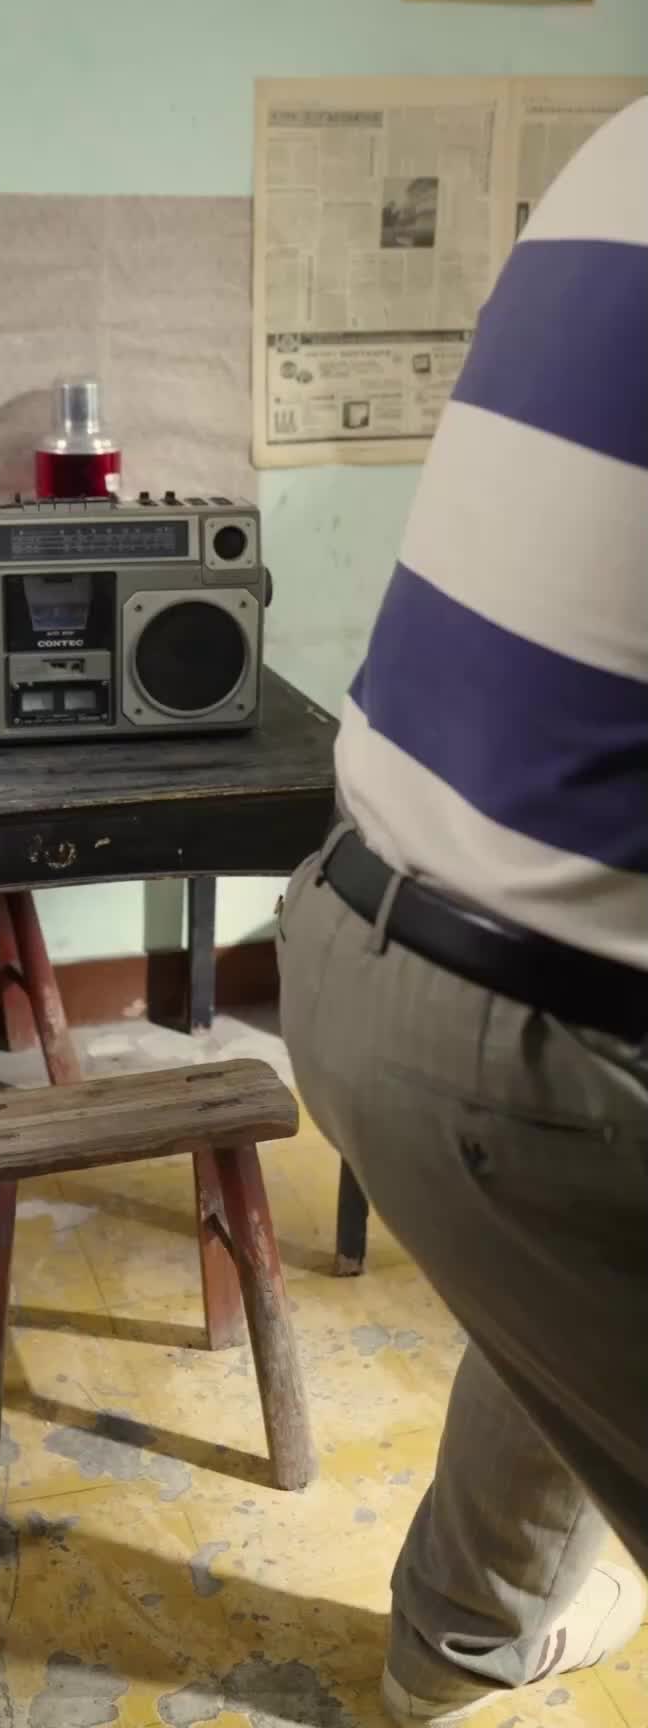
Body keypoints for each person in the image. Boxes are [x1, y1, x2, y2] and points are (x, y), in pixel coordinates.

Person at [277, 95, 648, 1724]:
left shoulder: (622, 142)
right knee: (583, 1186)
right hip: (552, 1052)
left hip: (350, 935)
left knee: (563, 1275)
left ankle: (462, 1639)